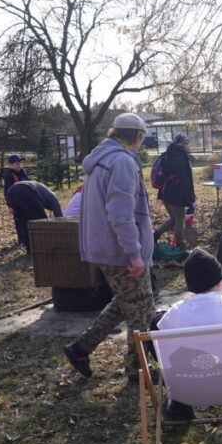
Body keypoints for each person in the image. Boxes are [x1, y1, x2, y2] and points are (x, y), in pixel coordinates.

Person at [63, 113, 155, 381]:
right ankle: (137, 372)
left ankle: (81, 348)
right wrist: (134, 254)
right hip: (121, 252)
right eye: (142, 138)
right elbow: (120, 214)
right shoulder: (122, 162)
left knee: (128, 302)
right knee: (141, 312)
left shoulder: (101, 158)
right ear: (137, 137)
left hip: (107, 248)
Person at [157, 248, 222, 421]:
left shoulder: (176, 313)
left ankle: (179, 407)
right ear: (219, 281)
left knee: (161, 342)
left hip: (189, 387)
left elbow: (160, 334)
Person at [153, 134, 195, 247]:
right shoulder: (181, 158)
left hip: (165, 192)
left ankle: (154, 236)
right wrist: (191, 198)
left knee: (173, 218)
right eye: (187, 144)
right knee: (180, 220)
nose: (188, 146)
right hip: (176, 193)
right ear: (182, 144)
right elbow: (184, 180)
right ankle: (180, 245)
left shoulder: (168, 154)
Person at [5, 180, 63, 252]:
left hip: (10, 192)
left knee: (23, 221)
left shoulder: (44, 192)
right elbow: (60, 217)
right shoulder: (53, 197)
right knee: (41, 221)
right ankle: (44, 246)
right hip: (25, 190)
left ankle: (29, 249)